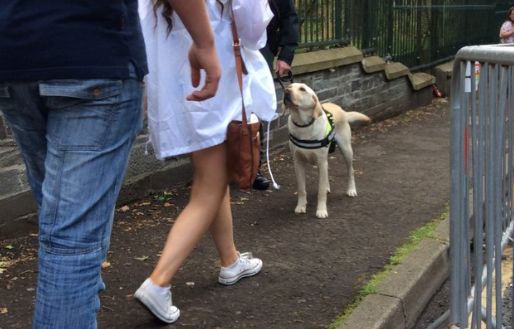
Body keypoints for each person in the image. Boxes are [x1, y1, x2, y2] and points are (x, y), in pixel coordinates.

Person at [0, 1, 220, 328]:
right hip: (94, 52)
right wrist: (205, 43)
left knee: (60, 218)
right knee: (71, 239)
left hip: (13, 58)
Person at [134, 0, 277, 324]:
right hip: (218, 80)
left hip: (178, 84)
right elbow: (253, 28)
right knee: (208, 188)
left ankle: (230, 260)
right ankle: (159, 281)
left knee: (213, 178)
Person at [253, 0, 299, 190]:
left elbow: (289, 16)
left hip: (260, 46)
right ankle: (219, 166)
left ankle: (252, 167)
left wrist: (285, 54)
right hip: (222, 45)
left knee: (254, 107)